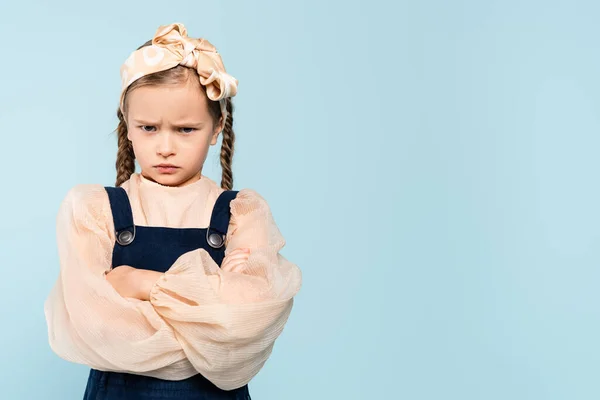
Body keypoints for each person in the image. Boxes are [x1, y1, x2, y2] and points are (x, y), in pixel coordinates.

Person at [43, 22, 302, 400]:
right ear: (127, 128)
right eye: (148, 128)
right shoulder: (93, 210)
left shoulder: (242, 214)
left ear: (217, 128)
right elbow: (95, 325)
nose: (165, 147)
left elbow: (249, 323)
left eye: (185, 130)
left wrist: (134, 282)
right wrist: (213, 291)